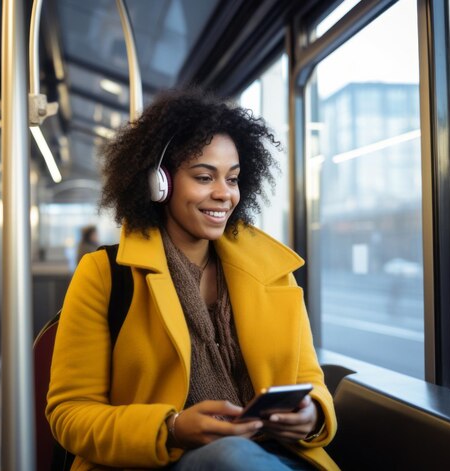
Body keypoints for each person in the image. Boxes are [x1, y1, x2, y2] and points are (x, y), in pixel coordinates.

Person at [46, 88, 338, 470]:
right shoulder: (104, 275)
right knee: (230, 456)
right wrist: (171, 428)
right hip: (158, 461)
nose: (223, 194)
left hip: (277, 456)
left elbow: (311, 383)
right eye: (204, 177)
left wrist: (311, 416)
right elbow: (69, 415)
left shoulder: (272, 274)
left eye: (232, 179)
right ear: (159, 183)